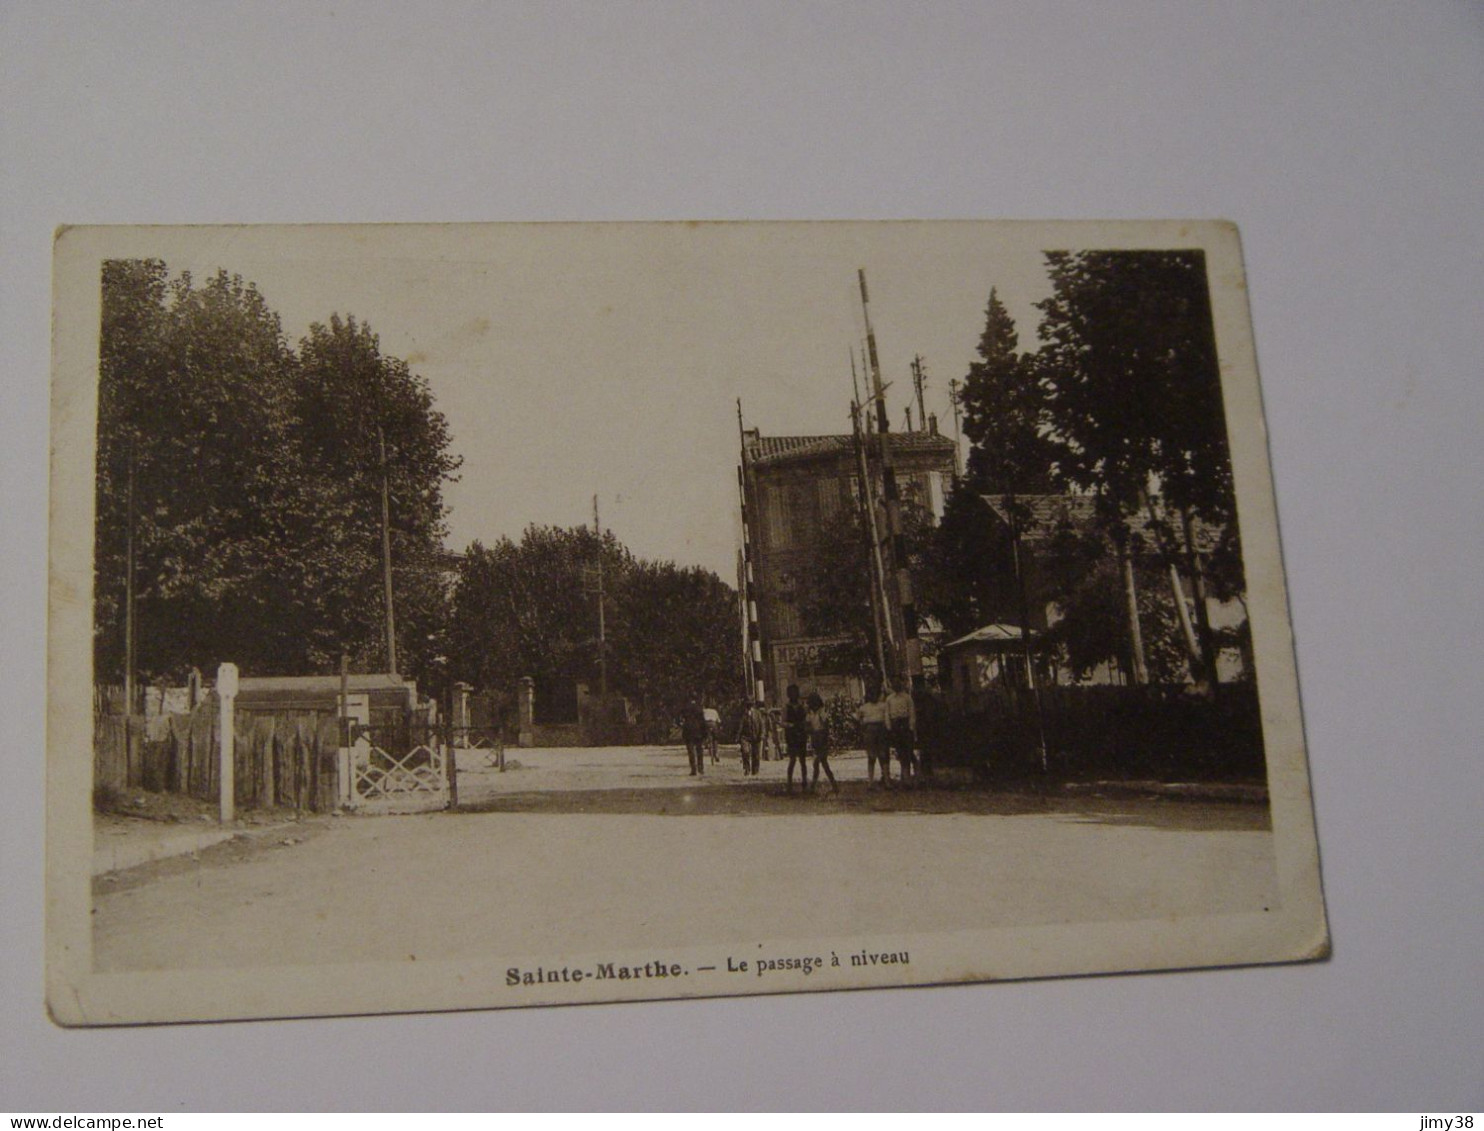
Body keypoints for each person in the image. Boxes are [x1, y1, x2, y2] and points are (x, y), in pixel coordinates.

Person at [884, 678, 917, 786]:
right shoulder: (889, 699)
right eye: (894, 684)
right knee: (899, 751)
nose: (896, 685)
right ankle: (904, 776)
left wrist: (911, 727)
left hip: (905, 724)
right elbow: (887, 714)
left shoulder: (907, 698)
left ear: (902, 685)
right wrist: (889, 727)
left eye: (898, 683)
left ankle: (909, 777)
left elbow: (911, 712)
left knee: (908, 751)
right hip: (895, 725)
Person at [857, 679, 890, 787]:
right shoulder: (864, 707)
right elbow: (859, 719)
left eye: (875, 694)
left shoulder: (883, 706)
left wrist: (887, 729)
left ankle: (886, 780)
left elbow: (886, 719)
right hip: (869, 731)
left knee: (883, 755)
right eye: (871, 694)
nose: (873, 696)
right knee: (871, 756)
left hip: (881, 730)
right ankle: (870, 782)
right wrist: (863, 727)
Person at [806, 690, 837, 794]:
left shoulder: (821, 712)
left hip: (822, 738)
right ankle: (834, 785)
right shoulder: (810, 713)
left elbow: (826, 725)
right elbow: (808, 726)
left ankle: (813, 787)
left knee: (818, 764)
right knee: (823, 764)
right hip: (815, 739)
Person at [782, 684, 809, 793]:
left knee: (803, 761)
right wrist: (790, 725)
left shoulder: (802, 706)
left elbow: (806, 720)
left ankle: (805, 783)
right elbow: (782, 722)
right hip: (791, 735)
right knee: (792, 760)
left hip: (801, 735)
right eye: (791, 693)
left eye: (795, 693)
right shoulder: (786, 707)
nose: (794, 695)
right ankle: (789, 784)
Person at [736, 697, 765, 776]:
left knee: (756, 754)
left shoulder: (757, 713)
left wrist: (762, 734)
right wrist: (738, 737)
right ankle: (746, 768)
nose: (749, 706)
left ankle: (755, 770)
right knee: (745, 752)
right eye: (748, 704)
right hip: (745, 736)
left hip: (756, 736)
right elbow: (740, 726)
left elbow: (761, 724)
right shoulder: (743, 714)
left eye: (751, 704)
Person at [680, 698, 707, 776]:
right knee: (699, 750)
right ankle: (701, 768)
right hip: (698, 731)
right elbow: (703, 721)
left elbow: (681, 720)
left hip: (688, 730)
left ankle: (693, 769)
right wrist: (705, 733)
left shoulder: (685, 708)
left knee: (691, 751)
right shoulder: (699, 709)